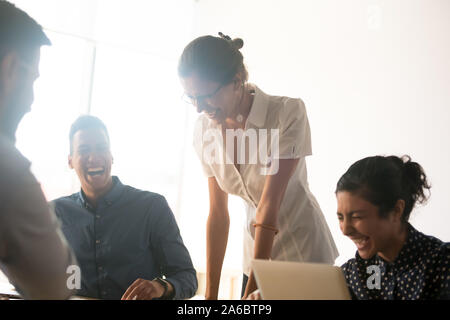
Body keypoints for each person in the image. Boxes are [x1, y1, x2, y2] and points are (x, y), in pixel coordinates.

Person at [178, 33, 339, 299]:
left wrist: (251, 292)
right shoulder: (204, 130)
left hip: (303, 256)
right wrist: (210, 296)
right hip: (253, 257)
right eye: (190, 97)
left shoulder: (287, 114)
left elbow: (268, 205)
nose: (198, 108)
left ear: (237, 81)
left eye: (205, 96)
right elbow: (218, 214)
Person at [52, 115, 198, 300]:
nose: (94, 157)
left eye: (101, 148)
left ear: (111, 156)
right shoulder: (54, 213)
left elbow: (187, 278)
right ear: (70, 161)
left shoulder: (152, 207)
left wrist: (159, 287)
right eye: (84, 150)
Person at [0, 0, 77, 299]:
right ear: (11, 69)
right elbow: (56, 286)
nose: (31, 101)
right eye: (31, 78)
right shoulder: (7, 170)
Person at [336, 155, 449, 299]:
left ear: (396, 210)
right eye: (340, 217)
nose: (346, 230)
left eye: (357, 216)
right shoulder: (350, 276)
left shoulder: (442, 265)